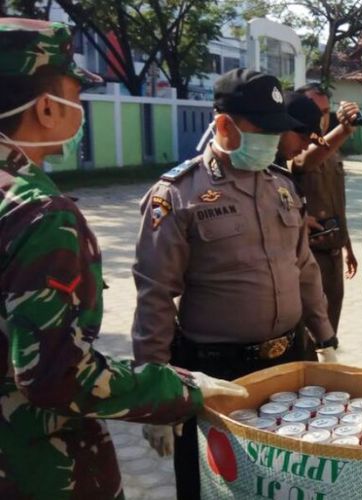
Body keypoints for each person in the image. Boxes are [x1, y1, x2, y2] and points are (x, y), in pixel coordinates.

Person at [0, 19, 246, 499]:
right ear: (47, 108)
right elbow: (55, 375)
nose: (82, 105)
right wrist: (181, 390)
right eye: (76, 92)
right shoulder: (41, 214)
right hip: (36, 467)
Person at [130, 69, 337, 499]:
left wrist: (326, 336)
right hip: (217, 375)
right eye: (264, 131)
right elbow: (155, 295)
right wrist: (155, 394)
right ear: (225, 125)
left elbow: (304, 268)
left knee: (284, 483)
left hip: (289, 364)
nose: (274, 142)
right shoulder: (177, 195)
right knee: (215, 486)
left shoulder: (280, 186)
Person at [290, 84, 361, 341]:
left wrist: (347, 247)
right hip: (307, 258)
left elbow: (337, 204)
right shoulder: (290, 147)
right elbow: (305, 161)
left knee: (330, 333)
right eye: (315, 110)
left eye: (325, 112)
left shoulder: (331, 151)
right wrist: (344, 130)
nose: (321, 118)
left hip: (332, 257)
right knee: (306, 335)